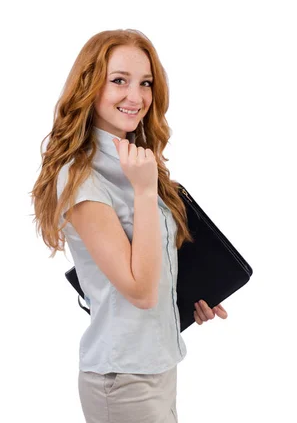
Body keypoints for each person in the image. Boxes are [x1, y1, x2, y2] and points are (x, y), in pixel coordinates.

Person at [31, 29, 227, 423]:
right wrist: (144, 190)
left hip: (159, 364)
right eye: (119, 80)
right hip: (122, 380)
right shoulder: (81, 177)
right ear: (90, 85)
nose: (135, 97)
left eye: (146, 83)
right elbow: (138, 291)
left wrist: (184, 295)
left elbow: (147, 266)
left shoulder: (134, 158)